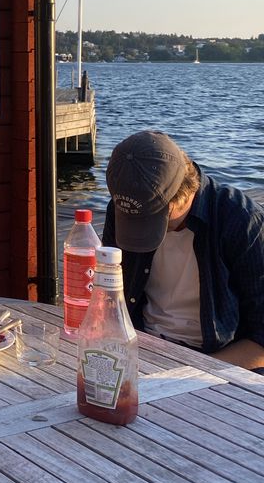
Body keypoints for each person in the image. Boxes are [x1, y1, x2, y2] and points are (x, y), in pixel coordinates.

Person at [102, 129, 264, 372]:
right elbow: (110, 298)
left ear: (182, 195)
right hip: (141, 347)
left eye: (150, 222)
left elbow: (260, 342)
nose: (139, 232)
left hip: (219, 360)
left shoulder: (243, 223)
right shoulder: (125, 210)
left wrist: (190, 371)